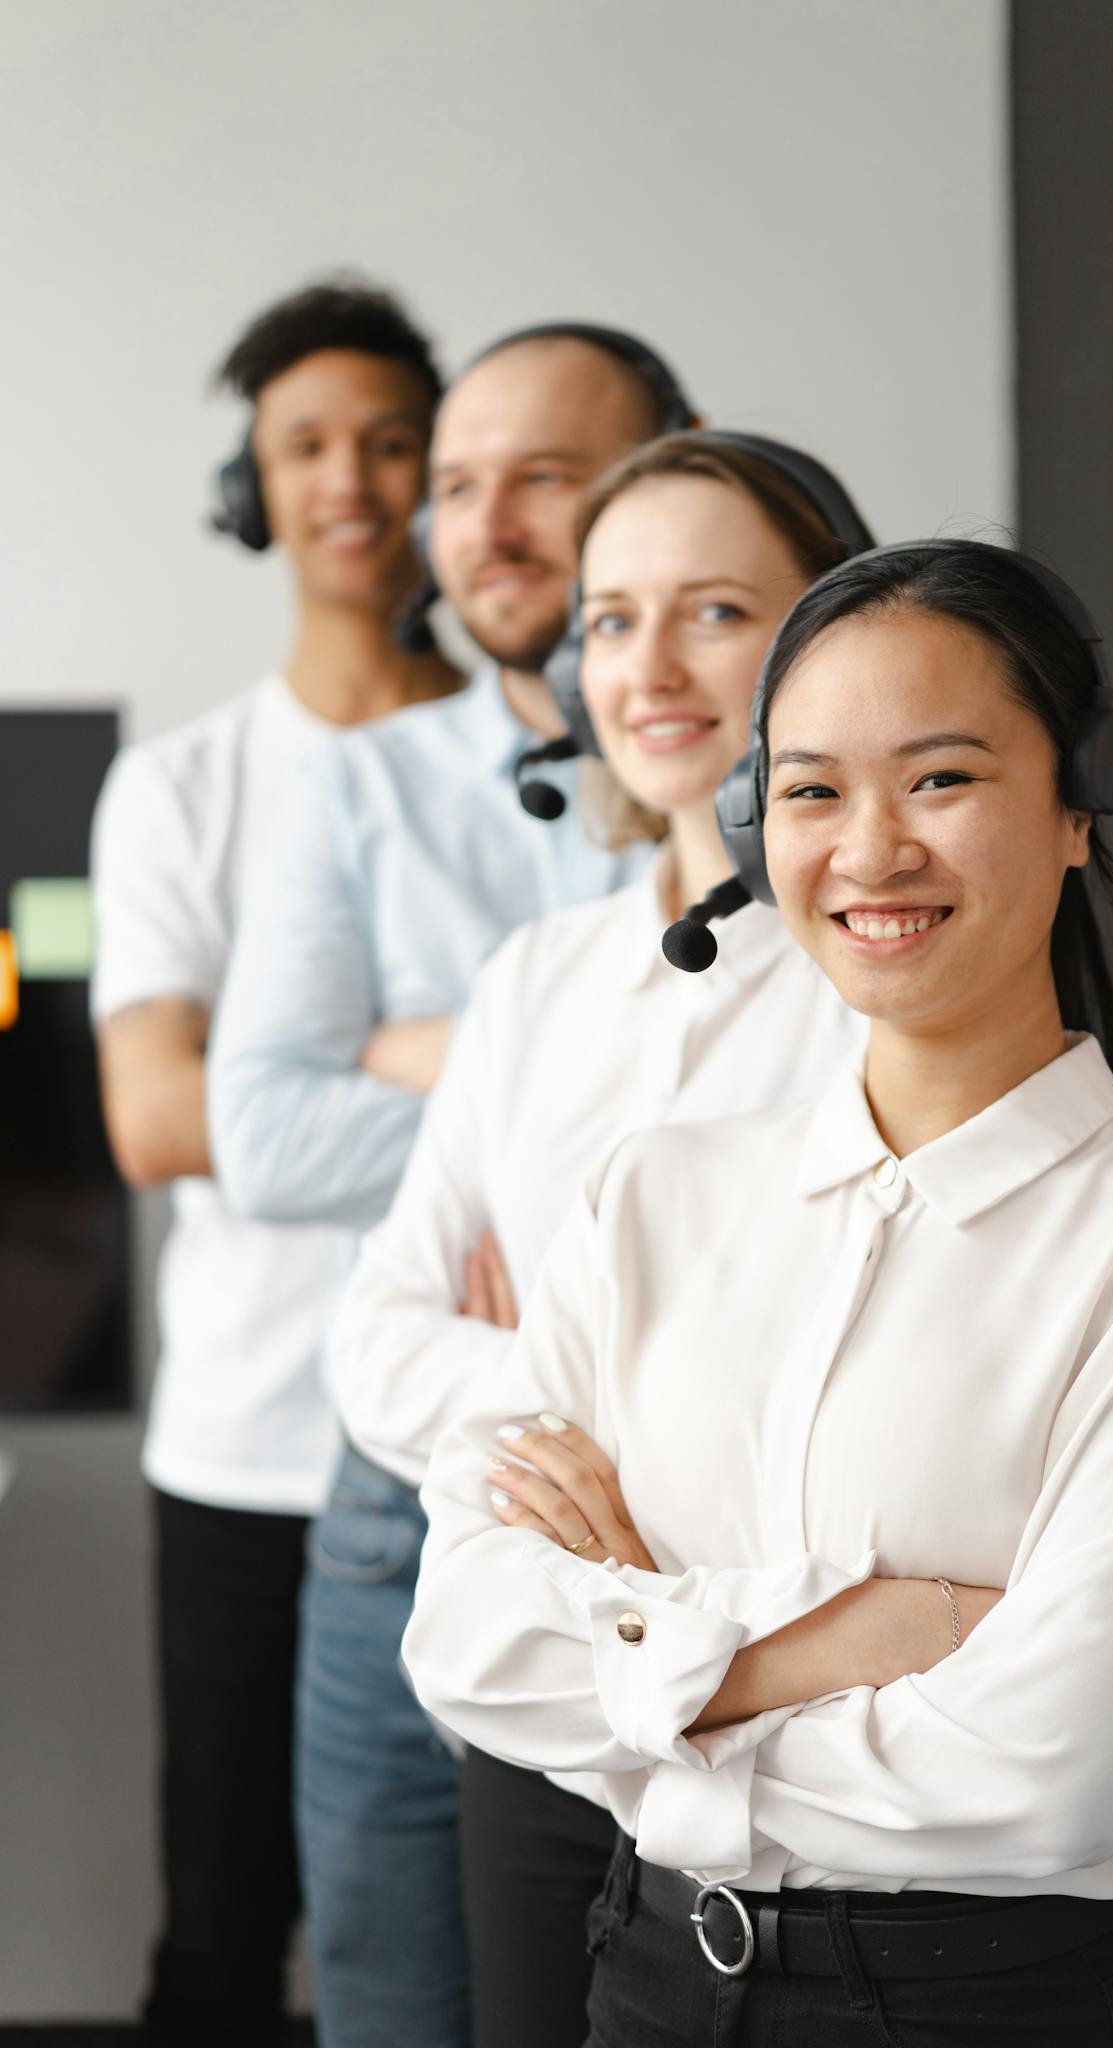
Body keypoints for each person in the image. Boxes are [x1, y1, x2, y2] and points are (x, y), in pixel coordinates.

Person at [404, 540, 1113, 2047]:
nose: (869, 850)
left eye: (940, 780)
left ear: (1078, 801)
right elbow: (469, 1644)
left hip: (988, 2006)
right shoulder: (648, 1196)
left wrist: (647, 1652)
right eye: (812, 790)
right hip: (645, 1976)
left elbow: (1045, 1770)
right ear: (756, 822)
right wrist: (855, 1639)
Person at [328, 430, 875, 2046]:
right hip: (536, 1707)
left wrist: (551, 1371)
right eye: (614, 617)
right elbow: (372, 1343)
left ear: (822, 637)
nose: (649, 665)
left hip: (779, 1707)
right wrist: (622, 1397)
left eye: (714, 610)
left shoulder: (880, 972)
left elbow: (831, 1388)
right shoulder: (535, 982)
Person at [207, 325, 696, 2048]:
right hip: (394, 1498)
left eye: (545, 482)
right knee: (396, 1995)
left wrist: (434, 1061)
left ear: (665, 482)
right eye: (462, 483)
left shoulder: (783, 799)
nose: (487, 526)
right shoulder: (357, 786)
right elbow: (257, 1131)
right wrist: (496, 1081)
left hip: (678, 1516)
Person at [89, 276, 458, 2047]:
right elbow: (156, 1123)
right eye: (305, 446)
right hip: (249, 1450)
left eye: (393, 442)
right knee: (226, 1941)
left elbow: (616, 1098)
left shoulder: (535, 758)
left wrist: (306, 1072)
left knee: (477, 1945)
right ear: (253, 490)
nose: (352, 481)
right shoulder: (182, 789)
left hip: (489, 1448)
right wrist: (463, 1070)